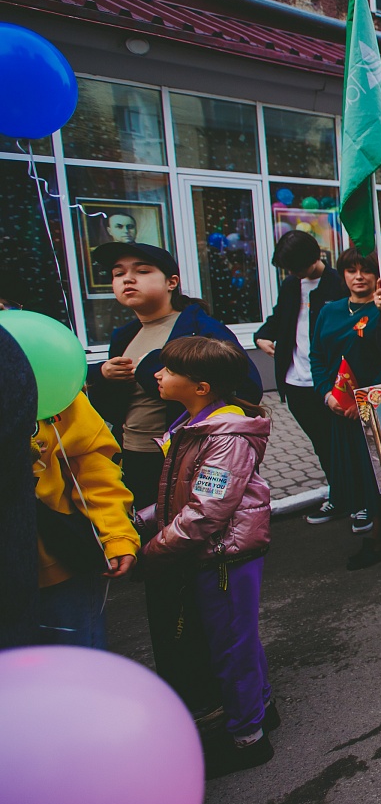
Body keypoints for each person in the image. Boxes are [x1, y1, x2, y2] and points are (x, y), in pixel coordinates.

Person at [138, 336, 276, 777]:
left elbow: (206, 511)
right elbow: (184, 497)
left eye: (168, 370)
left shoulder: (226, 434)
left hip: (225, 557)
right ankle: (260, 706)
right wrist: (141, 519)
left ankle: (247, 738)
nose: (158, 375)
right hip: (217, 552)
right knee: (238, 637)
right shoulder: (197, 422)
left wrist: (154, 550)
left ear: (200, 386)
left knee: (229, 647)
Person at [86, 242, 263, 510]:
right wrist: (102, 374)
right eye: (118, 274)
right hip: (132, 454)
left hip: (185, 457)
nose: (128, 279)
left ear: (172, 282)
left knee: (189, 531)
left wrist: (152, 370)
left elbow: (247, 387)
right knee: (146, 527)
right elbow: (117, 405)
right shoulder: (123, 335)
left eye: (142, 271)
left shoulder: (200, 329)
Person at [254, 230, 347, 525]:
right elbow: (280, 316)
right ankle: (338, 495)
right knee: (321, 443)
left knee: (342, 443)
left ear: (314, 258)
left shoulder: (338, 283)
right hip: (296, 381)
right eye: (288, 270)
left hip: (331, 381)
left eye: (296, 267)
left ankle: (355, 497)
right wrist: (262, 336)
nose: (293, 274)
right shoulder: (291, 285)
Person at [310, 249, 381, 554]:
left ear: (377, 276)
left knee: (377, 472)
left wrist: (364, 400)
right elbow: (317, 356)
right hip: (338, 407)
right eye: (351, 270)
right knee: (350, 468)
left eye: (365, 270)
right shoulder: (329, 311)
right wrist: (327, 395)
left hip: (372, 408)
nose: (358, 277)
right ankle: (362, 512)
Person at [34, 392, 138, 648]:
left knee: (75, 677)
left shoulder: (48, 377)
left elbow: (94, 468)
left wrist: (116, 535)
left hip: (57, 567)